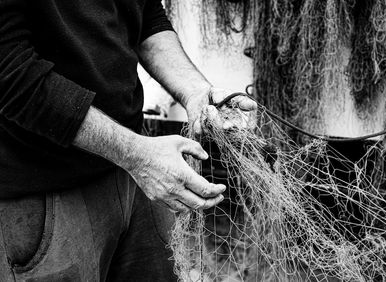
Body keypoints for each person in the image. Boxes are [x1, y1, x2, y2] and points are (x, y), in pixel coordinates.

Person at [0, 0, 257, 281]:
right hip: (43, 191)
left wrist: (195, 92)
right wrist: (137, 156)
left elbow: (147, 16)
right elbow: (10, 72)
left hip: (134, 177)